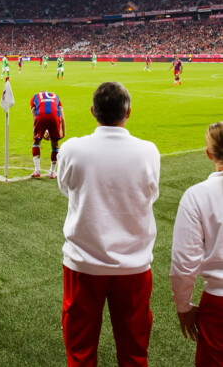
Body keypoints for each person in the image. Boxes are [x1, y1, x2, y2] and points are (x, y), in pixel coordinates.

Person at [57, 81, 160, 366]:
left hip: (83, 264)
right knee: (135, 351)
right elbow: (151, 195)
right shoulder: (148, 151)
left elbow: (66, 189)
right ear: (129, 112)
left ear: (93, 111)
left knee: (79, 351)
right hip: (134, 266)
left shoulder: (72, 149)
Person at [170, 121, 223, 366]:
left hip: (218, 305)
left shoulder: (196, 195)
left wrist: (183, 305)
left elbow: (184, 262)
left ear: (209, 153)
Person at [30, 90, 66, 179]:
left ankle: (37, 170)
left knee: (36, 141)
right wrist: (63, 131)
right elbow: (62, 117)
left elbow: (35, 117)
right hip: (55, 117)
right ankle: (52, 173)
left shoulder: (34, 97)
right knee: (55, 144)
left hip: (41, 117)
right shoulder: (55, 96)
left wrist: (42, 133)